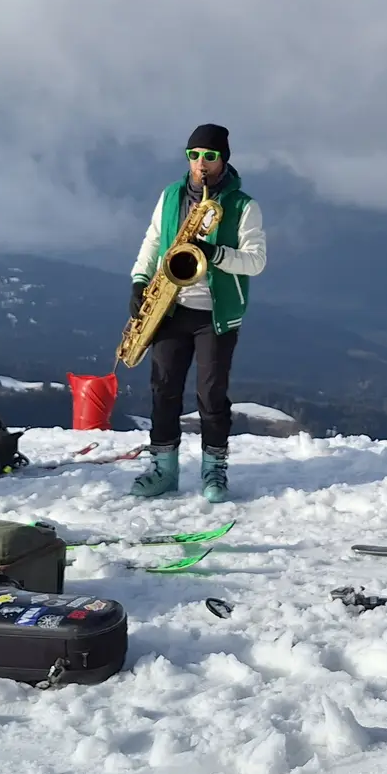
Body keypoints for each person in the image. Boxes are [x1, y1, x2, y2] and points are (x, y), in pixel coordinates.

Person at [126, 124, 267, 503]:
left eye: (209, 156)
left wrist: (213, 254)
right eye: (194, 155)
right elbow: (154, 240)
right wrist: (139, 280)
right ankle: (163, 469)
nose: (200, 163)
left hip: (215, 314)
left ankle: (214, 470)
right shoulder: (171, 195)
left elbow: (256, 261)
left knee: (211, 394)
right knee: (163, 388)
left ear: (223, 159)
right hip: (170, 306)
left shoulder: (244, 206)